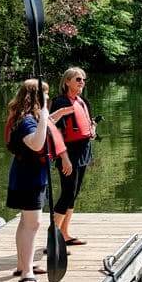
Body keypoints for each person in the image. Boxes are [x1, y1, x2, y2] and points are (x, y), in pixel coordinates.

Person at [4, 79, 71, 282]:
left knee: (27, 222)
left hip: (30, 176)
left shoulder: (27, 118)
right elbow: (36, 143)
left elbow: (40, 130)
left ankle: (22, 264)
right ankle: (26, 274)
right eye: (46, 95)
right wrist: (44, 116)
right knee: (32, 224)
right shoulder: (27, 122)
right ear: (37, 98)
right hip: (28, 179)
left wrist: (50, 117)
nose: (49, 98)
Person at [49, 67, 96, 246]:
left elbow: (88, 124)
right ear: (67, 81)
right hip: (68, 152)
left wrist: (92, 130)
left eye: (83, 79)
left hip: (83, 151)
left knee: (74, 193)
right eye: (78, 79)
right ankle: (52, 238)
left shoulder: (83, 101)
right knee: (67, 193)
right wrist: (64, 158)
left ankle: (65, 233)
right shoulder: (61, 103)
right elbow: (56, 132)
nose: (82, 82)